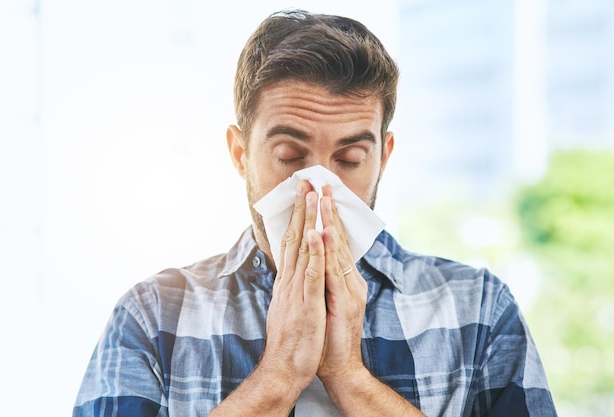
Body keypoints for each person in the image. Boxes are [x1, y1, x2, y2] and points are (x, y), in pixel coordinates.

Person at [73, 10, 557, 417]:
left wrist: (349, 377)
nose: (318, 187)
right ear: (240, 153)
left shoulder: (478, 310)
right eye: (288, 154)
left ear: (383, 157)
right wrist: (278, 375)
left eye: (349, 160)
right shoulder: (153, 317)